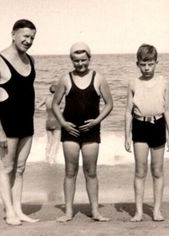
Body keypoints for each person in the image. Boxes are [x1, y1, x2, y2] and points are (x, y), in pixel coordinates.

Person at [52, 42, 113, 222]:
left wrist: (96, 121)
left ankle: (95, 211)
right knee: (70, 171)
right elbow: (55, 104)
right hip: (70, 132)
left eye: (84, 60)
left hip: (91, 132)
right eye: (76, 60)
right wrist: (63, 123)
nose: (80, 64)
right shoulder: (65, 79)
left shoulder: (98, 78)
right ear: (71, 60)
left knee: (91, 172)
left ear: (89, 58)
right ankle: (68, 212)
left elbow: (110, 104)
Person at [0, 19, 38, 225]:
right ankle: (9, 212)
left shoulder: (31, 60)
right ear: (13, 34)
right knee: (7, 167)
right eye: (25, 36)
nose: (28, 41)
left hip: (27, 122)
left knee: (21, 168)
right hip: (8, 123)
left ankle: (18, 210)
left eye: (32, 37)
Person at [125, 44, 169, 222]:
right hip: (139, 126)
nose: (147, 68)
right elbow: (128, 111)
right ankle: (138, 212)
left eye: (150, 64)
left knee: (158, 170)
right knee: (140, 170)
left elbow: (167, 108)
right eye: (143, 65)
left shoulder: (163, 82)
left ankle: (157, 210)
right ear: (137, 64)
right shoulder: (133, 83)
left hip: (158, 125)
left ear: (156, 63)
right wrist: (126, 135)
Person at [38, 83, 61, 164]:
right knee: (56, 141)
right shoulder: (58, 98)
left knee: (49, 141)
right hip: (56, 121)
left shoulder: (46, 98)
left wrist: (46, 111)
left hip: (48, 121)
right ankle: (52, 158)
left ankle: (46, 157)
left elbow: (37, 107)